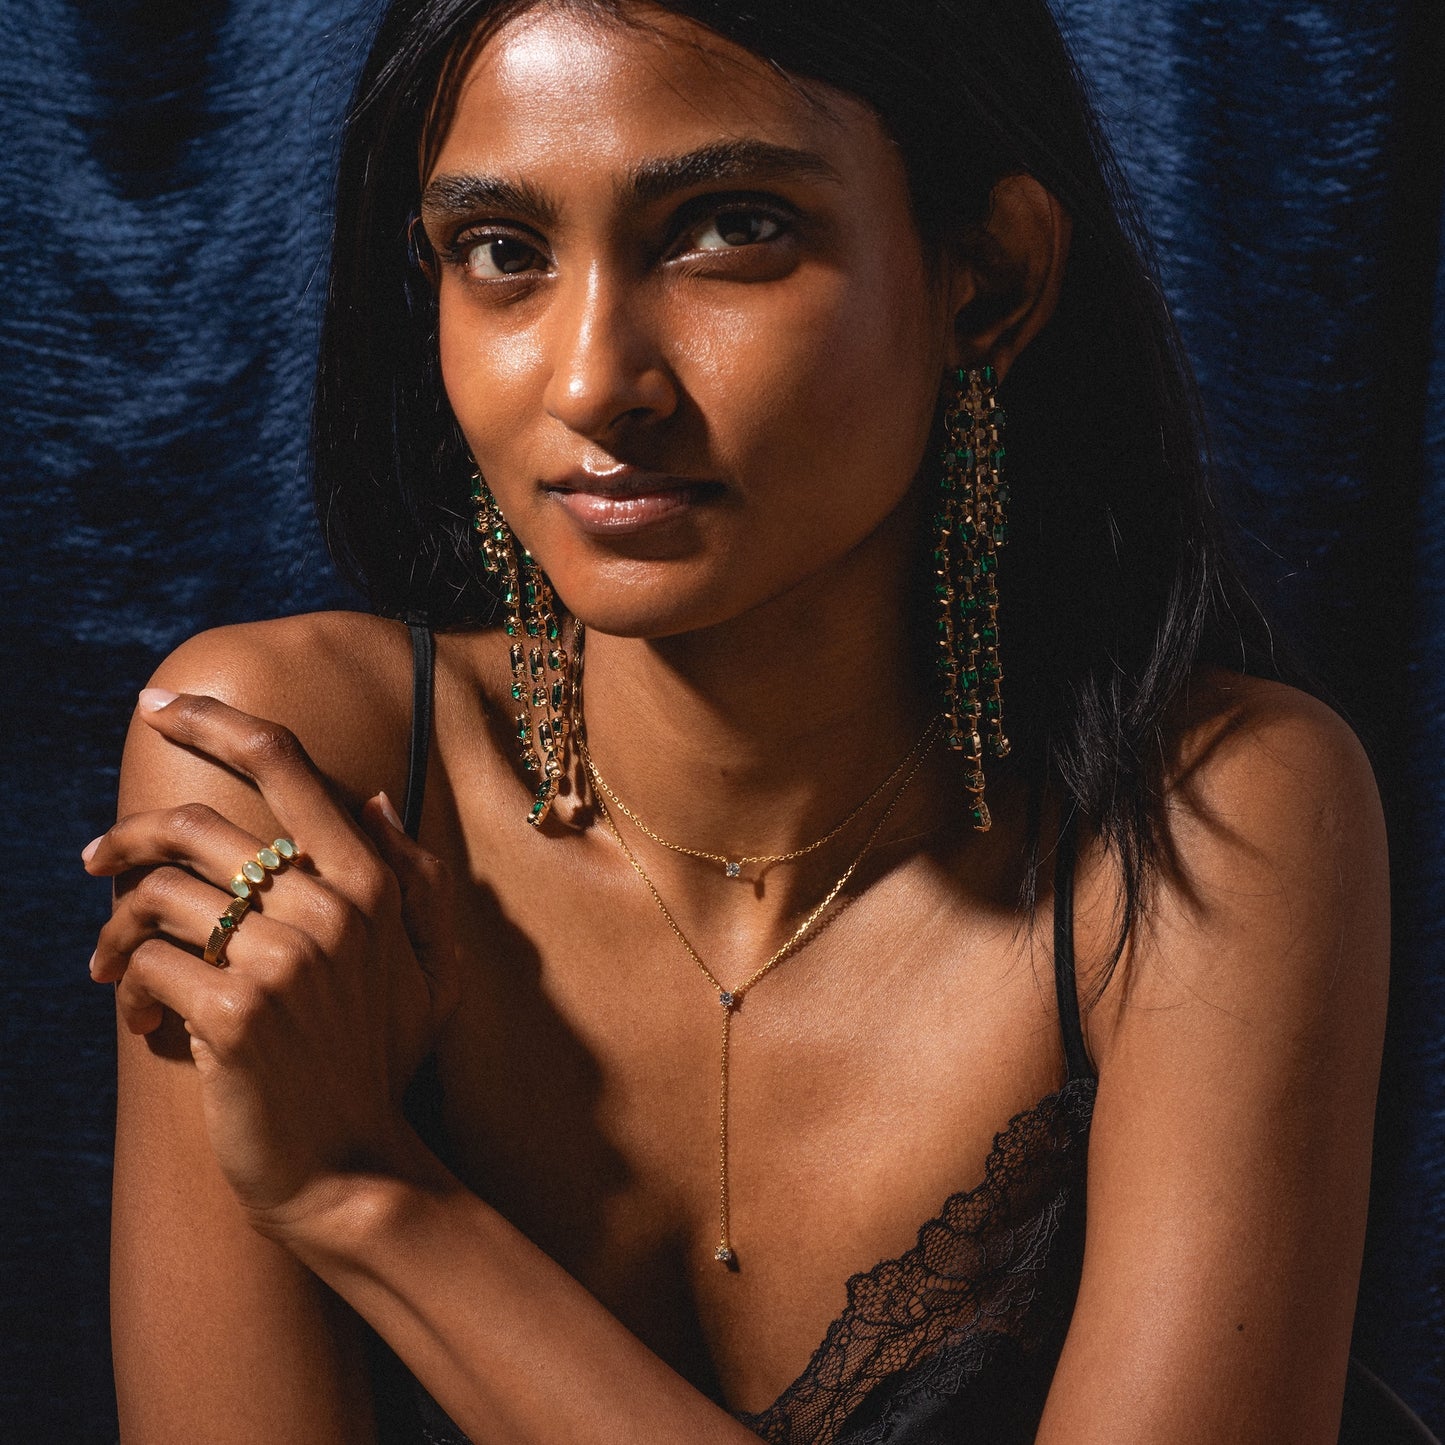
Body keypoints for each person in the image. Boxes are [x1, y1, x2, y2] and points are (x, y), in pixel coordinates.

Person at [84, 0, 1389, 1440]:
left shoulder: (1212, 815)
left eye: (726, 230)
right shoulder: (288, 766)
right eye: (501, 253)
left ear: (988, 277)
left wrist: (369, 1197)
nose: (591, 381)